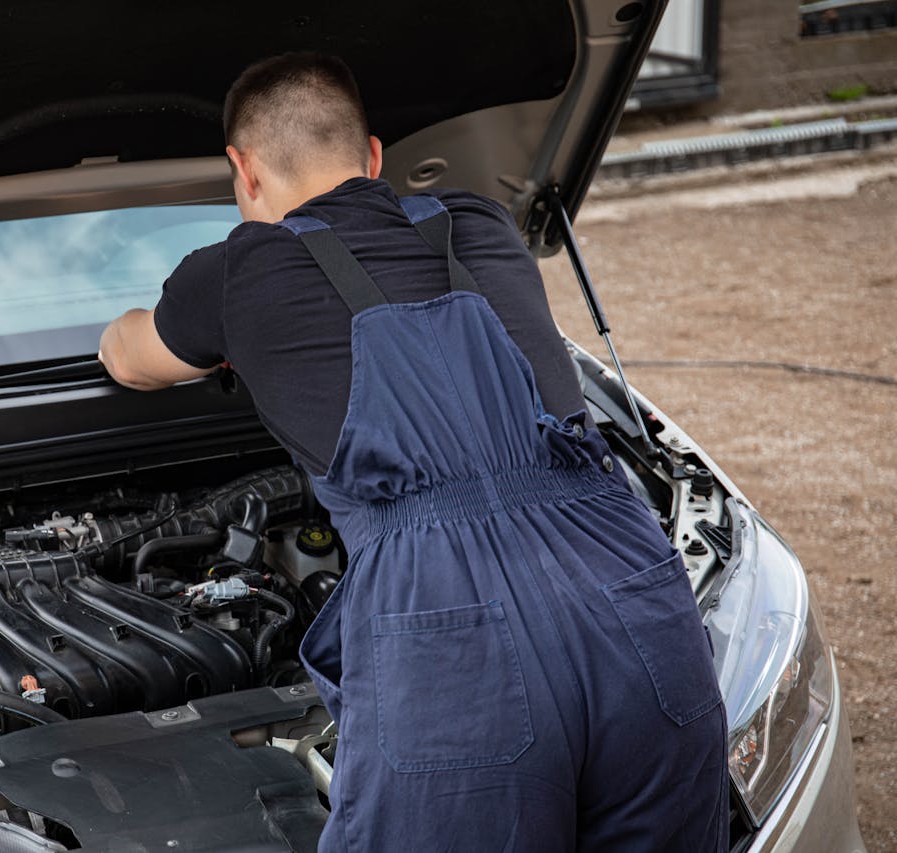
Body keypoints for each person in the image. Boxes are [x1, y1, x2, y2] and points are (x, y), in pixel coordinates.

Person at [99, 52, 727, 852]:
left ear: (242, 169)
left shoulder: (233, 274)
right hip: (630, 582)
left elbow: (128, 356)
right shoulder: (478, 223)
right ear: (371, 157)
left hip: (455, 628)